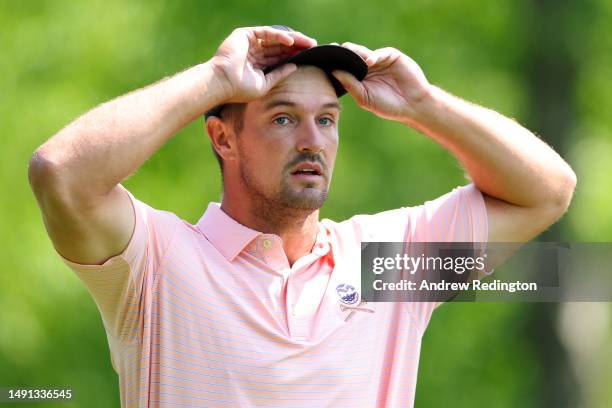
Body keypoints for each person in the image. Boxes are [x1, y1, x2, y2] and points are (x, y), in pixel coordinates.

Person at [28, 25, 576, 407]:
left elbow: (547, 190)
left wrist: (425, 105)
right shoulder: (155, 263)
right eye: (285, 118)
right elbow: (60, 173)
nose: (313, 141)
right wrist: (216, 79)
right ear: (223, 137)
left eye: (328, 120)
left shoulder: (382, 266)